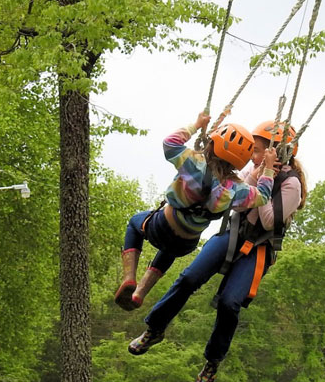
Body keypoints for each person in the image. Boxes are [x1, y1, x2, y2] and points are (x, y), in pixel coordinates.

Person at [128, 120, 307, 382]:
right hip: (233, 234)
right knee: (189, 278)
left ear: (280, 153)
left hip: (257, 248)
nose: (253, 157)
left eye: (258, 151)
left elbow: (269, 220)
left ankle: (212, 361)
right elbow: (238, 195)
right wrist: (259, 176)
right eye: (254, 151)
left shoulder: (292, 183)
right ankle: (155, 328)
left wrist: (264, 179)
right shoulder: (257, 168)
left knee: (229, 303)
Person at [114, 111, 277, 311]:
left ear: (214, 144)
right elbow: (262, 196)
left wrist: (196, 125)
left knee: (134, 223)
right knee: (170, 248)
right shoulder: (236, 188)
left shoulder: (193, 162)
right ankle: (139, 293)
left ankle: (129, 278)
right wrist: (267, 168)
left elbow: (170, 143)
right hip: (186, 244)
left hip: (162, 227)